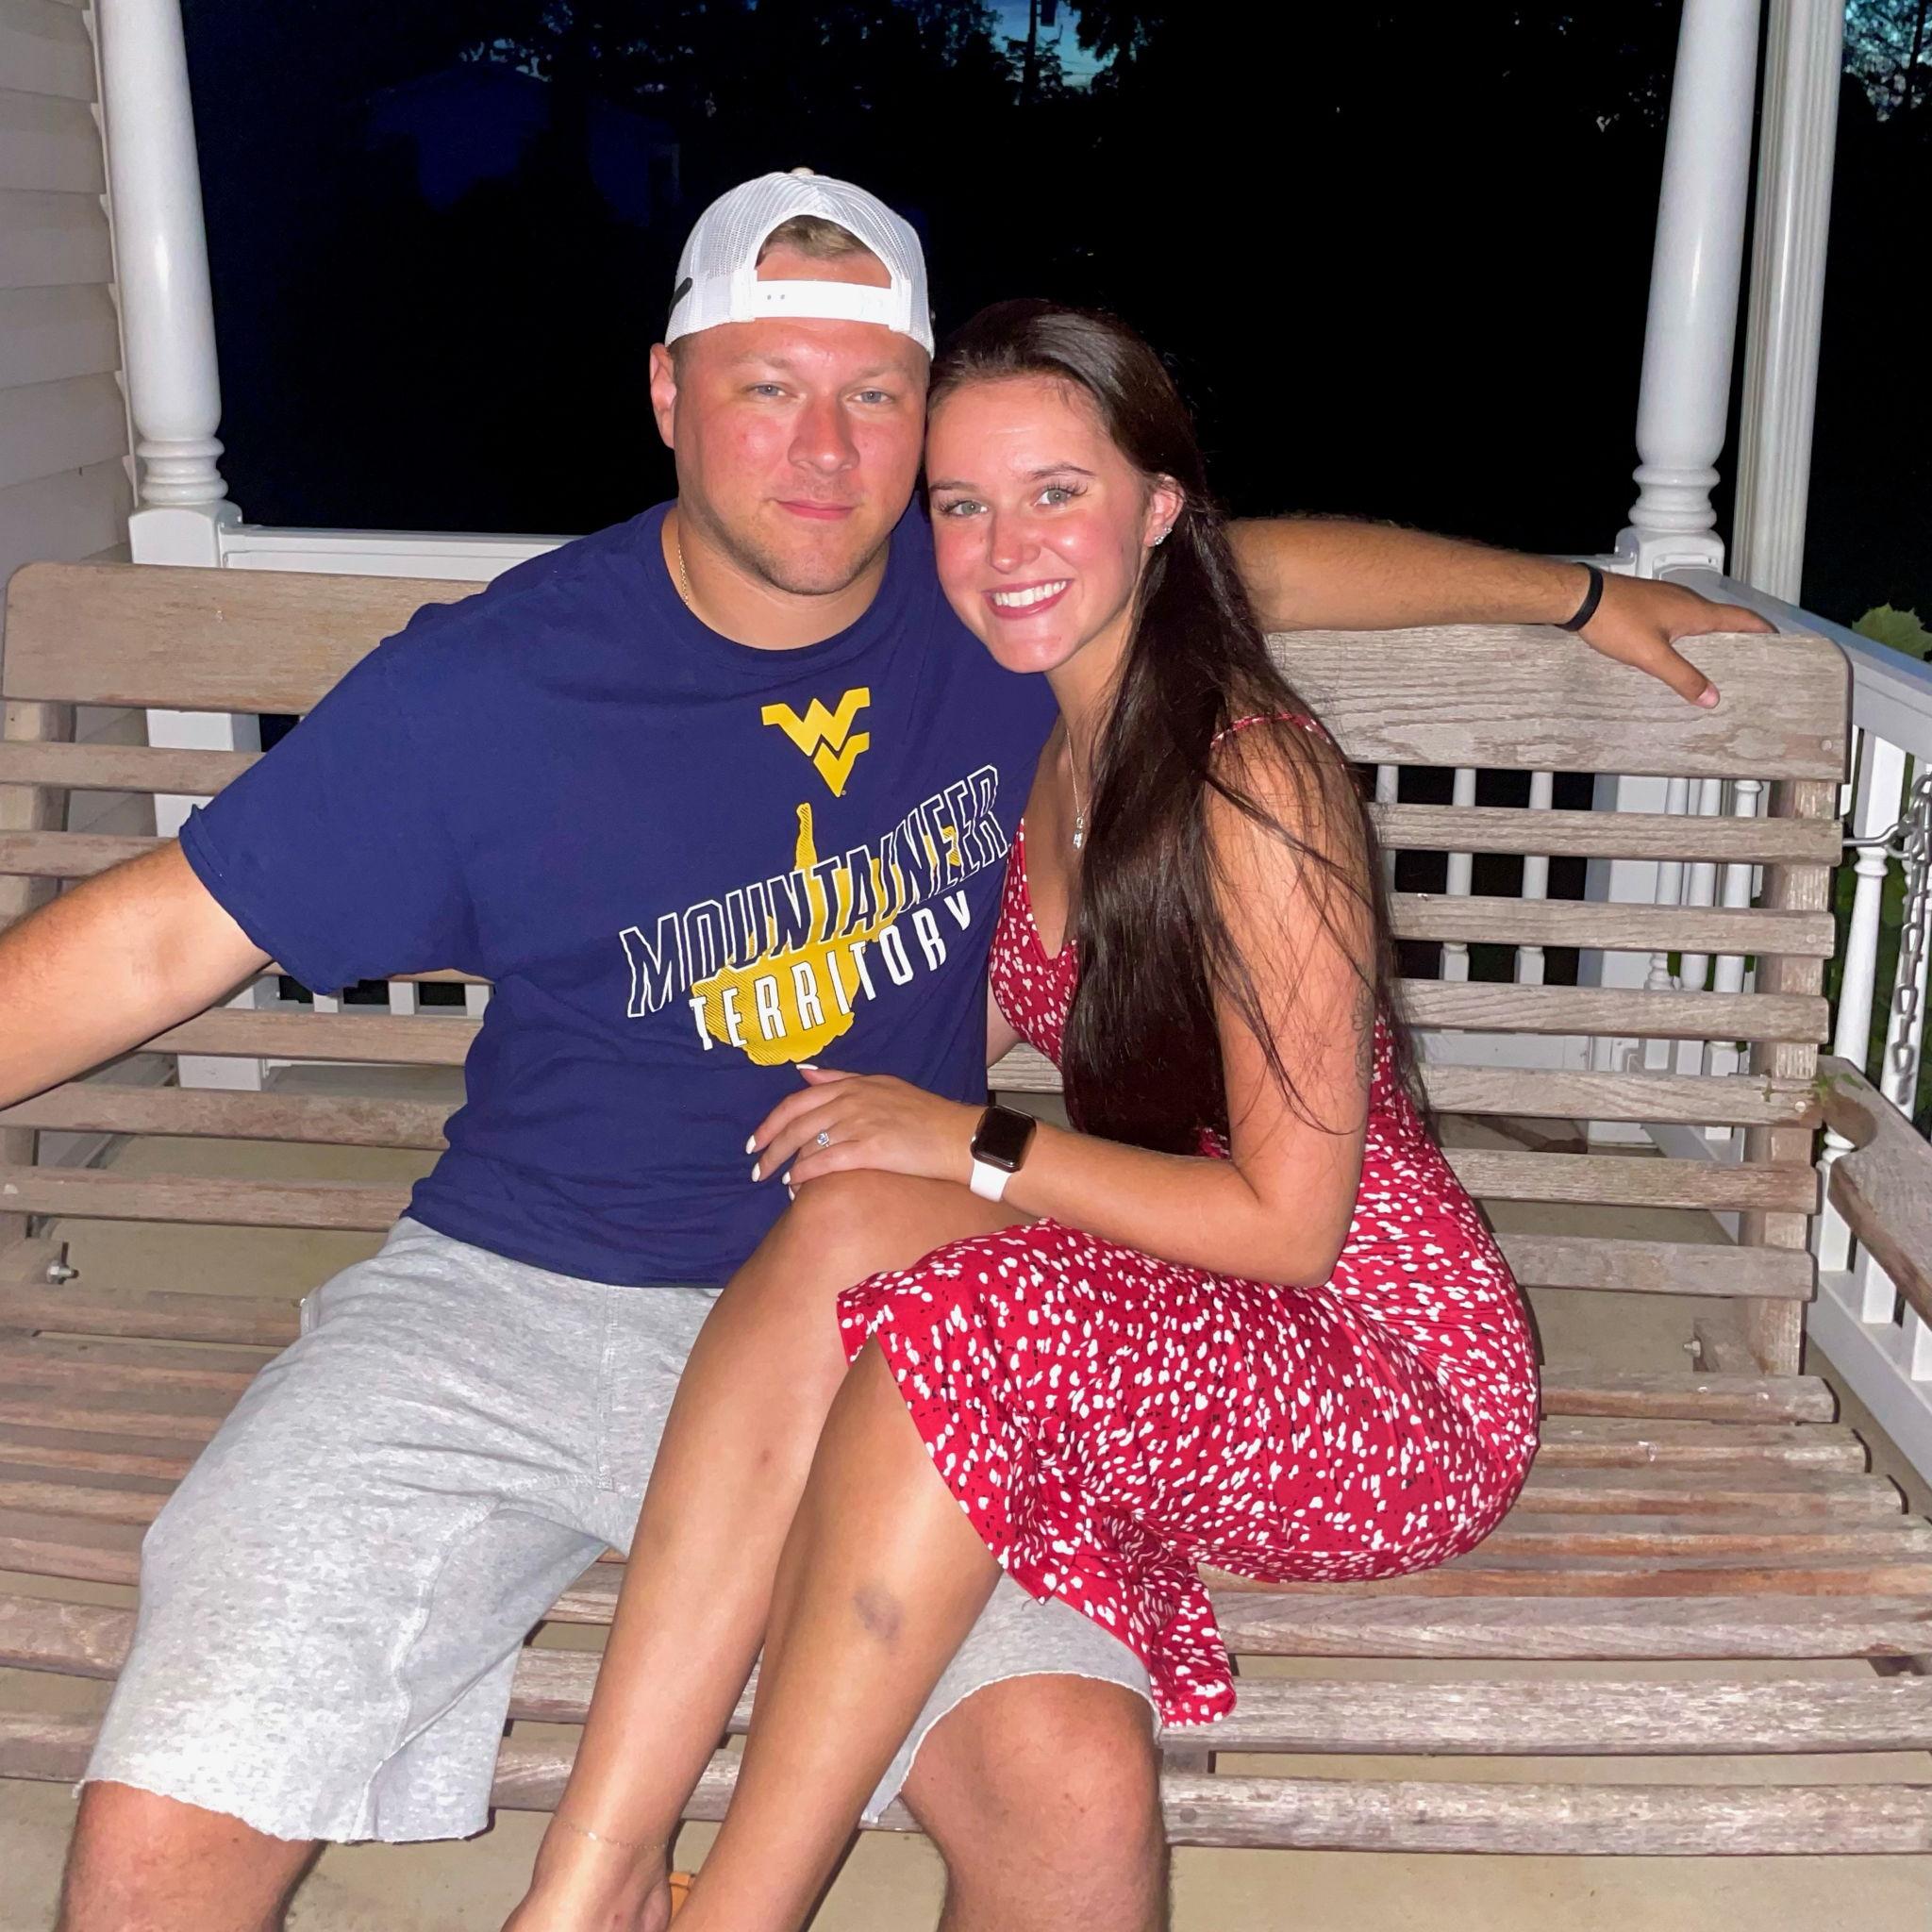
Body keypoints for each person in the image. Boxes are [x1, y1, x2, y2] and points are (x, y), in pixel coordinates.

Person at [0, 171, 1770, 1932]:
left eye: (874, 396)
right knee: (174, 1799)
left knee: (1072, 1796)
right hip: (524, 1298)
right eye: (767, 386)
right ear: (668, 392)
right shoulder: (501, 683)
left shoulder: (1000, 611)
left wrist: (1574, 595)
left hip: (927, 1296)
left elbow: (1254, 569)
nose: (824, 451)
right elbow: (158, 935)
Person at [503, 300, 1543, 1932]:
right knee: (849, 1214)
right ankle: (588, 1881)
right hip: (1195, 1292)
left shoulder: (1252, 782)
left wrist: (971, 1144)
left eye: (1058, 494)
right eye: (963, 504)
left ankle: (734, 1914)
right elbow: (929, 1030)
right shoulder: (1035, 734)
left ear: (1159, 507)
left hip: (1382, 1370)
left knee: (969, 1320)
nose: (1005, 549)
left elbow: (1293, 1232)